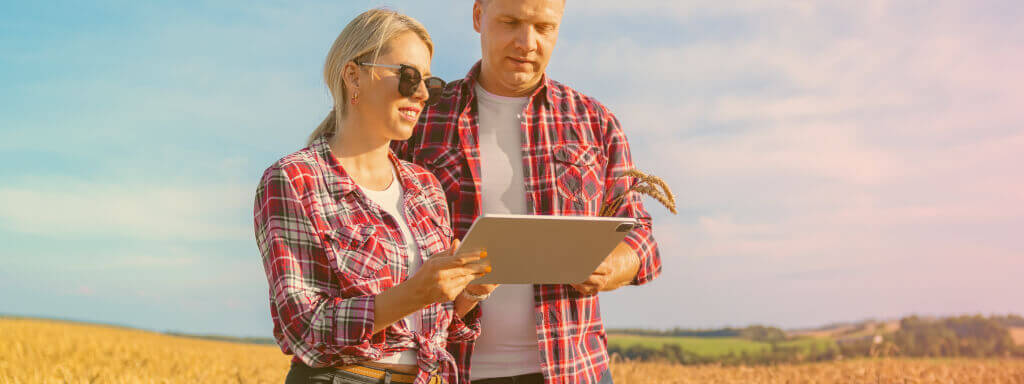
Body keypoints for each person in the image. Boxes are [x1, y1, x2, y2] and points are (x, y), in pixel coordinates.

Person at [392, 0, 662, 383]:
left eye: (544, 27)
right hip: (451, 371)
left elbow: (642, 238)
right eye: (511, 22)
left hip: (574, 370)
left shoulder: (595, 121)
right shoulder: (422, 118)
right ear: (477, 16)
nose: (527, 42)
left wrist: (611, 266)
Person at [254, 8, 497, 384]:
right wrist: (415, 293)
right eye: (407, 76)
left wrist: (468, 293)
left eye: (429, 84)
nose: (420, 93)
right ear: (354, 75)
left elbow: (434, 327)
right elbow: (304, 328)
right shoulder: (293, 179)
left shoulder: (425, 187)